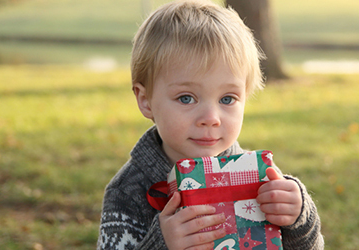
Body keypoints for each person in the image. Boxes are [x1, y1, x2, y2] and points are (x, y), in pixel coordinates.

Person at [96, 1, 324, 249]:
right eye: (186, 98)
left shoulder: (259, 180)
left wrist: (299, 220)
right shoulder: (128, 193)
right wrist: (162, 244)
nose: (211, 117)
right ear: (146, 101)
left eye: (227, 99)